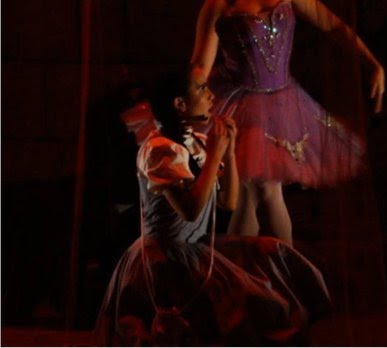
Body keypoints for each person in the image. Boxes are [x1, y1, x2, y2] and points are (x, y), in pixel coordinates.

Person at [96, 67, 331, 346]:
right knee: (245, 305)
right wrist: (214, 155)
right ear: (180, 104)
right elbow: (191, 210)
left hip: (196, 248)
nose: (210, 96)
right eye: (201, 89)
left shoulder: (196, 143)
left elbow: (228, 202)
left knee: (273, 253)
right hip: (166, 256)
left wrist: (228, 153)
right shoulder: (159, 149)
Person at [190, 0, 385, 244]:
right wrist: (191, 104)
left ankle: (259, 268)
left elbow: (332, 25)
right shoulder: (218, 3)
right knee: (259, 189)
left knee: (258, 191)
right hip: (241, 104)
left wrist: (373, 64)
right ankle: (268, 267)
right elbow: (199, 65)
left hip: (284, 103)